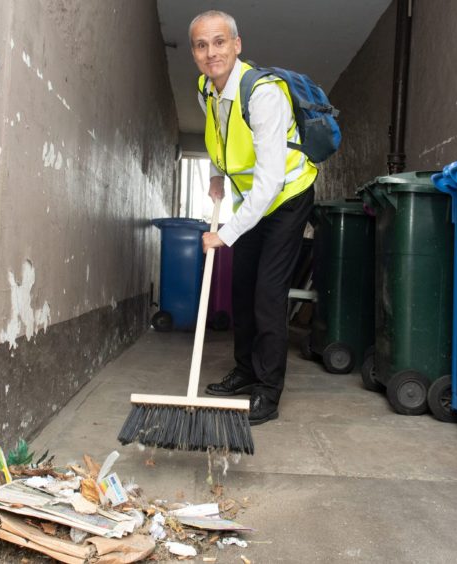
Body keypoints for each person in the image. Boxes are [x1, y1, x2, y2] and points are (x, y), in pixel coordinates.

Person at [190, 10, 317, 425]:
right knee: (241, 288)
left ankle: (267, 390)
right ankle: (245, 371)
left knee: (267, 294)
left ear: (237, 44)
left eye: (220, 42)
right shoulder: (206, 91)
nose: (212, 53)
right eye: (202, 45)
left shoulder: (263, 95)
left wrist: (225, 235)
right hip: (251, 200)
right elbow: (217, 139)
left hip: (286, 197)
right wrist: (215, 179)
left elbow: (269, 182)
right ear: (195, 52)